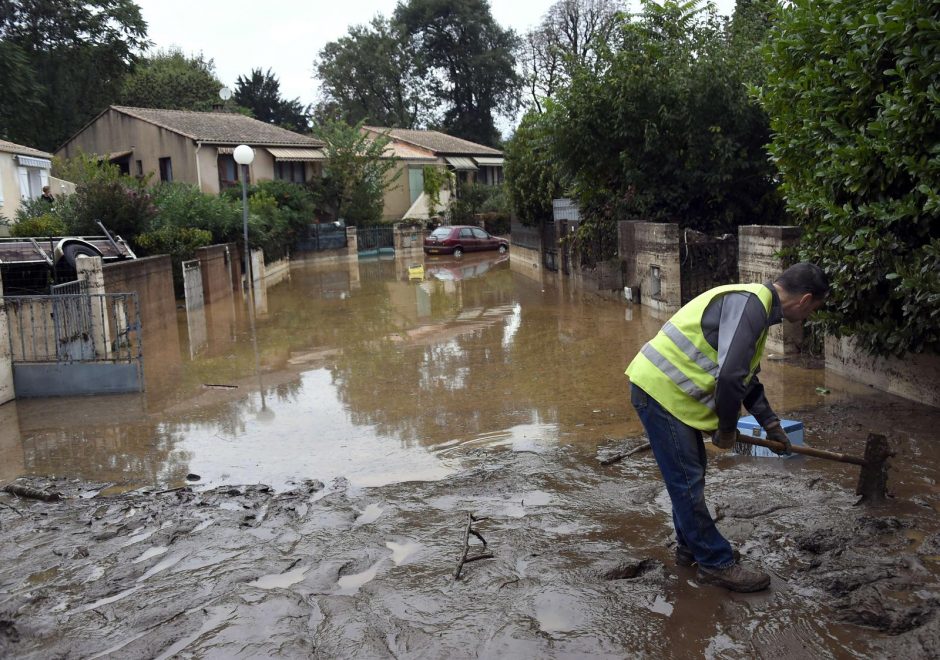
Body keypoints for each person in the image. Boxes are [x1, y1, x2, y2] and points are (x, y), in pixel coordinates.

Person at [625, 262, 829, 592]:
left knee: (690, 477)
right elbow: (731, 377)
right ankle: (716, 563)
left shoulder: (755, 306)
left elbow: (746, 378)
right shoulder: (752, 307)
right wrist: (727, 429)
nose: (808, 317)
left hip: (671, 396)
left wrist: (771, 424)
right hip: (660, 393)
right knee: (687, 481)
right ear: (806, 300)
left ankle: (690, 548)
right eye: (813, 309)